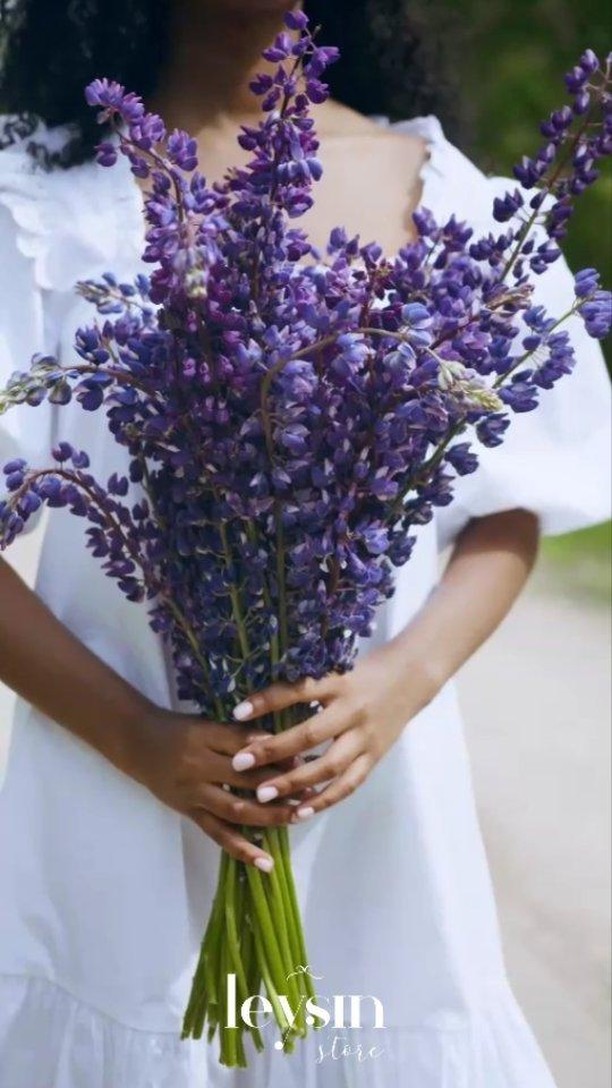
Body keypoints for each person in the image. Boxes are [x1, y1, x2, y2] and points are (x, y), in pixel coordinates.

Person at [0, 2, 609, 1086]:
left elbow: (515, 499)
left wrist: (402, 681)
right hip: (113, 795)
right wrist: (141, 738)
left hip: (373, 804)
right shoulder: (39, 199)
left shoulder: (448, 191)